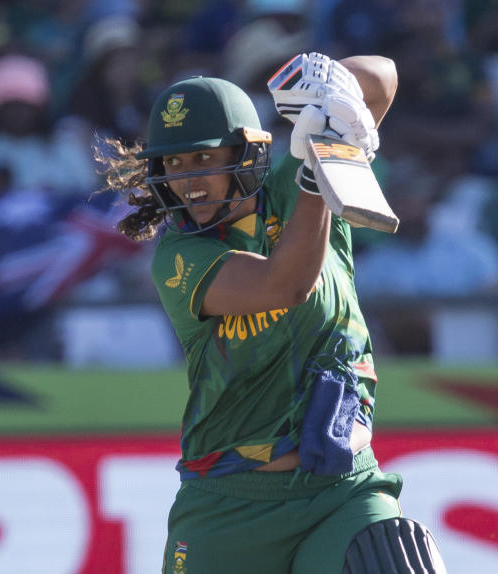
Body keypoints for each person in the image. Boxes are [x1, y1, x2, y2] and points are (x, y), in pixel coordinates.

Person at [97, 53, 448, 573]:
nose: (188, 180)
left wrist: (329, 92)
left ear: (245, 153)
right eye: (174, 164)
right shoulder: (179, 257)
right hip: (227, 505)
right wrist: (317, 171)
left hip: (341, 490)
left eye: (203, 159)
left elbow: (385, 77)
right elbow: (286, 284)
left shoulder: (292, 181)